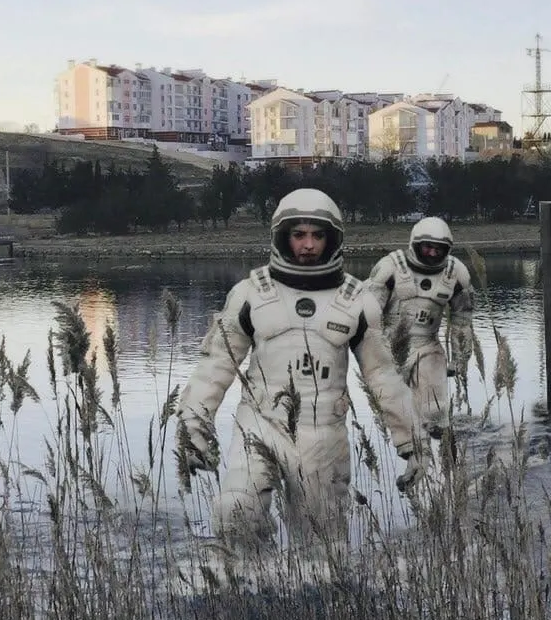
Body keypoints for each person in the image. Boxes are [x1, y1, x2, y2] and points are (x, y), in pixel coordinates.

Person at [177, 188, 425, 574]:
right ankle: (252, 586)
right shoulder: (249, 295)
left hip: (322, 434)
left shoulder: (358, 300)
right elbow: (216, 366)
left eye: (317, 235)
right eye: (299, 235)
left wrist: (412, 444)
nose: (308, 245)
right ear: (282, 237)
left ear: (332, 239)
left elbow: (383, 377)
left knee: (322, 554)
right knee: (235, 511)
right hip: (259, 425)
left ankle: (311, 604)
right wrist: (192, 426)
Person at [368, 217, 473, 440]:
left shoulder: (456, 273)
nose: (433, 253)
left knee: (435, 413)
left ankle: (442, 444)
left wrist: (460, 360)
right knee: (397, 416)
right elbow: (369, 316)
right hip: (390, 345)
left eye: (439, 249)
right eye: (428, 247)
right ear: (415, 244)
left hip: (428, 344)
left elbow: (462, 321)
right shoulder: (389, 267)